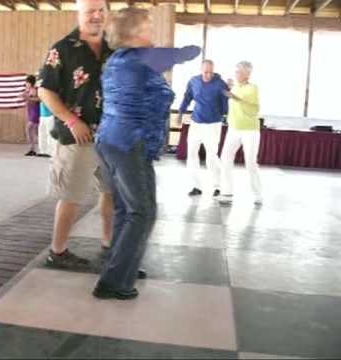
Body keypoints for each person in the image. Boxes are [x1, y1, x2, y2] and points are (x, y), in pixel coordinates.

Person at [93, 7, 201, 300]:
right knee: (143, 212)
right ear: (135, 32)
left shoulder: (116, 60)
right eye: (148, 26)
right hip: (129, 142)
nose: (152, 31)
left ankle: (120, 265)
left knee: (125, 209)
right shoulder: (141, 58)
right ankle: (114, 282)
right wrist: (193, 47)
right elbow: (186, 52)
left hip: (109, 140)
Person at [38, 0, 114, 270]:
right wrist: (71, 120)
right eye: (90, 11)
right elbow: (45, 90)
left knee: (111, 194)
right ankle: (57, 252)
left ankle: (109, 247)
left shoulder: (114, 48)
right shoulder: (63, 49)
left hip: (112, 137)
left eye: (101, 10)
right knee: (71, 196)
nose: (96, 15)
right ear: (79, 13)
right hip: (77, 138)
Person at [179, 60, 229, 198]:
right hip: (196, 123)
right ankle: (196, 186)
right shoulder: (194, 81)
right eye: (206, 72)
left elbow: (226, 105)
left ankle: (218, 186)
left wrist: (226, 113)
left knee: (211, 157)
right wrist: (181, 111)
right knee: (191, 155)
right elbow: (187, 97)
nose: (208, 75)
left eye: (211, 72)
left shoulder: (220, 84)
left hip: (213, 125)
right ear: (201, 70)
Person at [218, 61, 262, 206]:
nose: (236, 73)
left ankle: (257, 194)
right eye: (235, 71)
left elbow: (250, 106)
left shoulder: (252, 88)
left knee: (250, 162)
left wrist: (233, 95)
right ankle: (227, 192)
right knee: (225, 157)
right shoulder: (235, 87)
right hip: (233, 129)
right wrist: (231, 90)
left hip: (250, 130)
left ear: (247, 74)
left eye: (239, 71)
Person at [25, 75, 40, 156]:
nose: (26, 84)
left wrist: (28, 98)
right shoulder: (29, 90)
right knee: (33, 130)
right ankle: (32, 149)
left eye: (27, 82)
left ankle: (33, 148)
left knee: (30, 128)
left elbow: (38, 99)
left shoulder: (34, 89)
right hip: (30, 110)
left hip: (35, 110)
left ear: (31, 83)